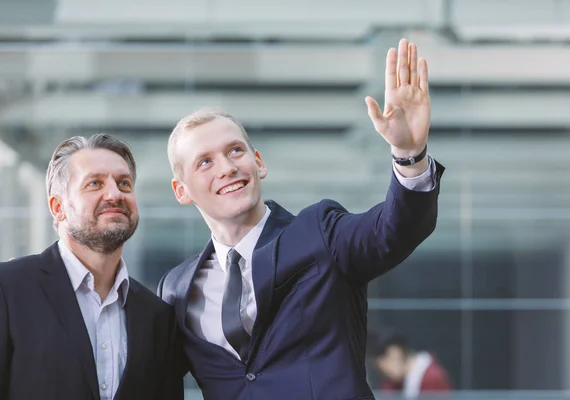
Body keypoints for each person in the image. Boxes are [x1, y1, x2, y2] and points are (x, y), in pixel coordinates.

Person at [158, 38, 443, 399]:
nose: (228, 168)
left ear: (258, 162)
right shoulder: (176, 289)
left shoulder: (320, 232)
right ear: (181, 190)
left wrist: (409, 154)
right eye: (205, 162)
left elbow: (394, 229)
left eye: (235, 151)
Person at [0, 134, 183, 400]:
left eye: (124, 183)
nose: (115, 194)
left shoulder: (157, 316)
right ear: (58, 207)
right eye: (94, 183)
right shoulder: (8, 289)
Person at [375, 334, 452, 398]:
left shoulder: (432, 378)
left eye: (387, 363)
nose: (386, 371)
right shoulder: (394, 384)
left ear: (396, 353)